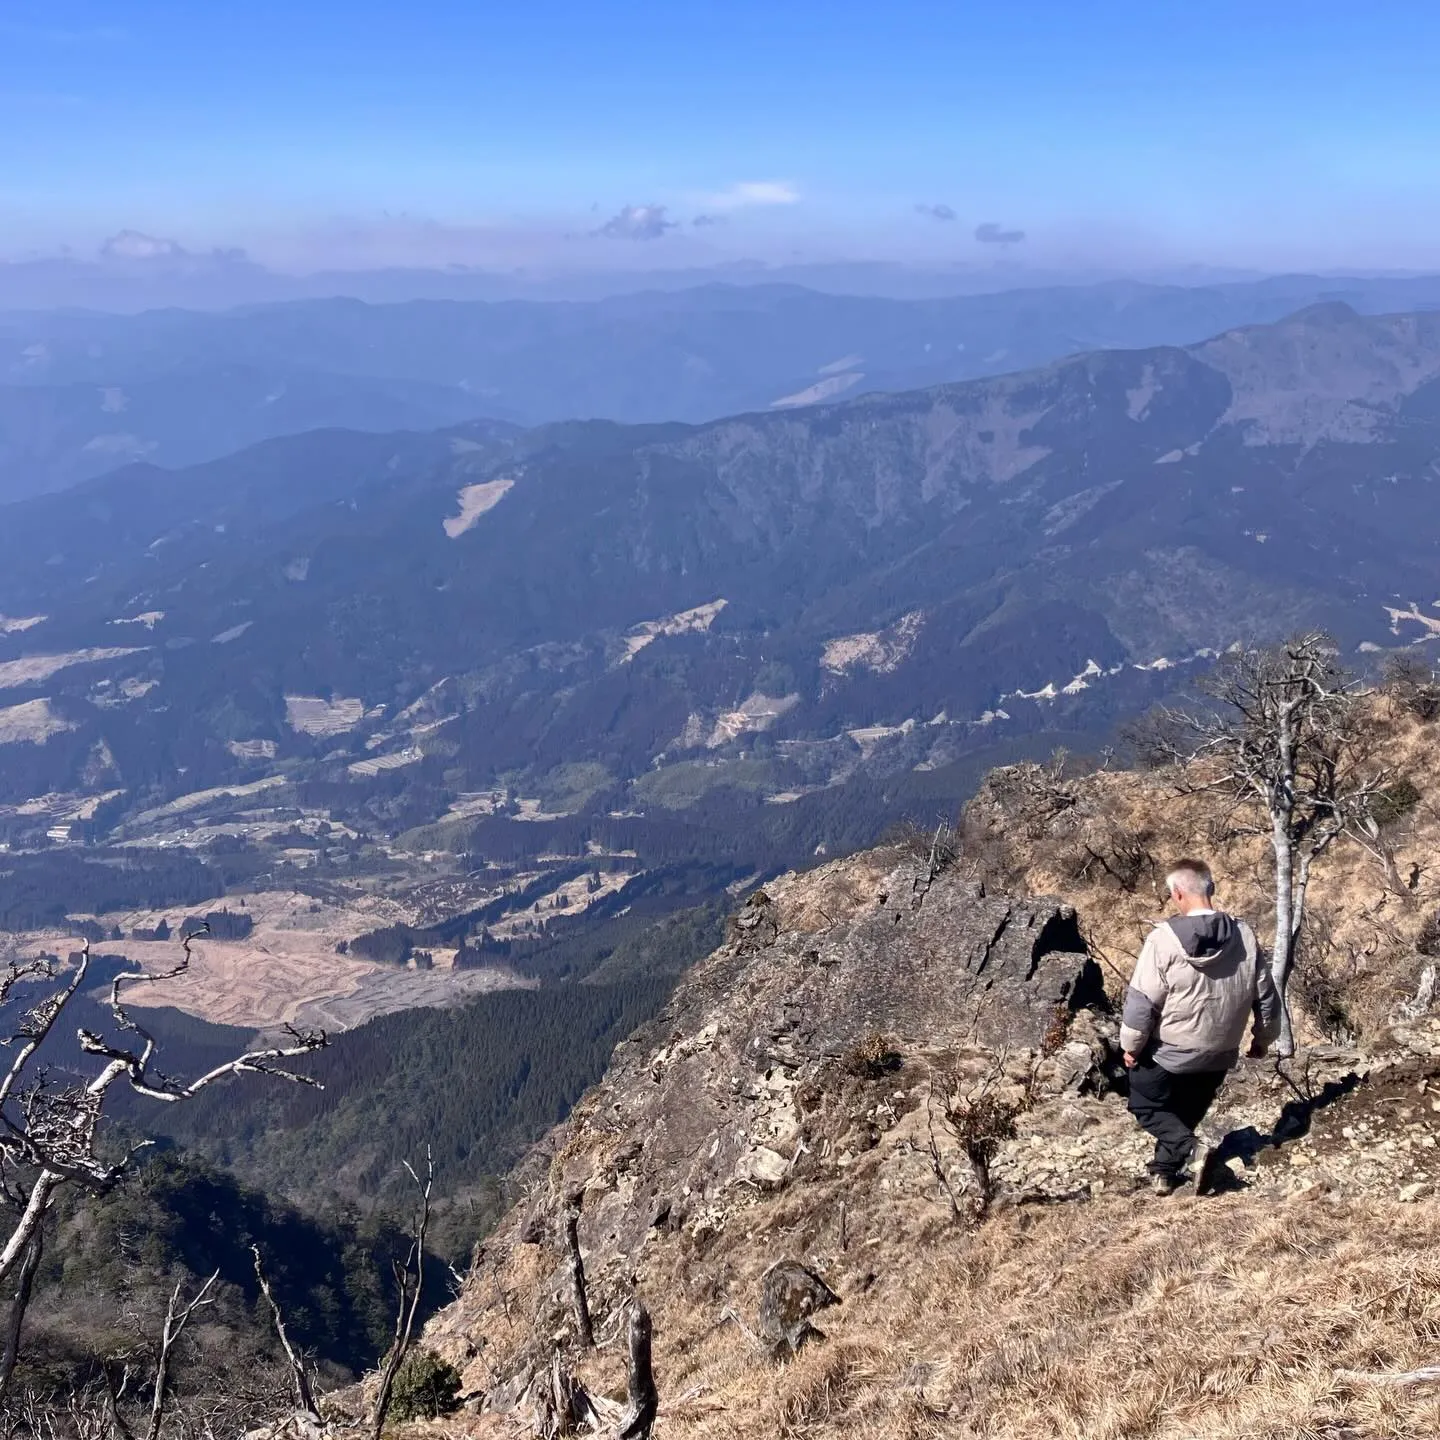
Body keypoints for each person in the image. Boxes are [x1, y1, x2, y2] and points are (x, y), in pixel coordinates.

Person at [1120, 859, 1282, 1196]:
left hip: (1170, 1052)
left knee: (1146, 1105)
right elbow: (1265, 996)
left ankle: (1192, 1153)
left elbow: (1141, 1003)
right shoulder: (1244, 934)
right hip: (1221, 1052)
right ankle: (1165, 1173)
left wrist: (1132, 1047)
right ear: (1211, 889)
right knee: (1184, 1113)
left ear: (1177, 894)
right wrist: (1263, 1039)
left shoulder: (1162, 940)